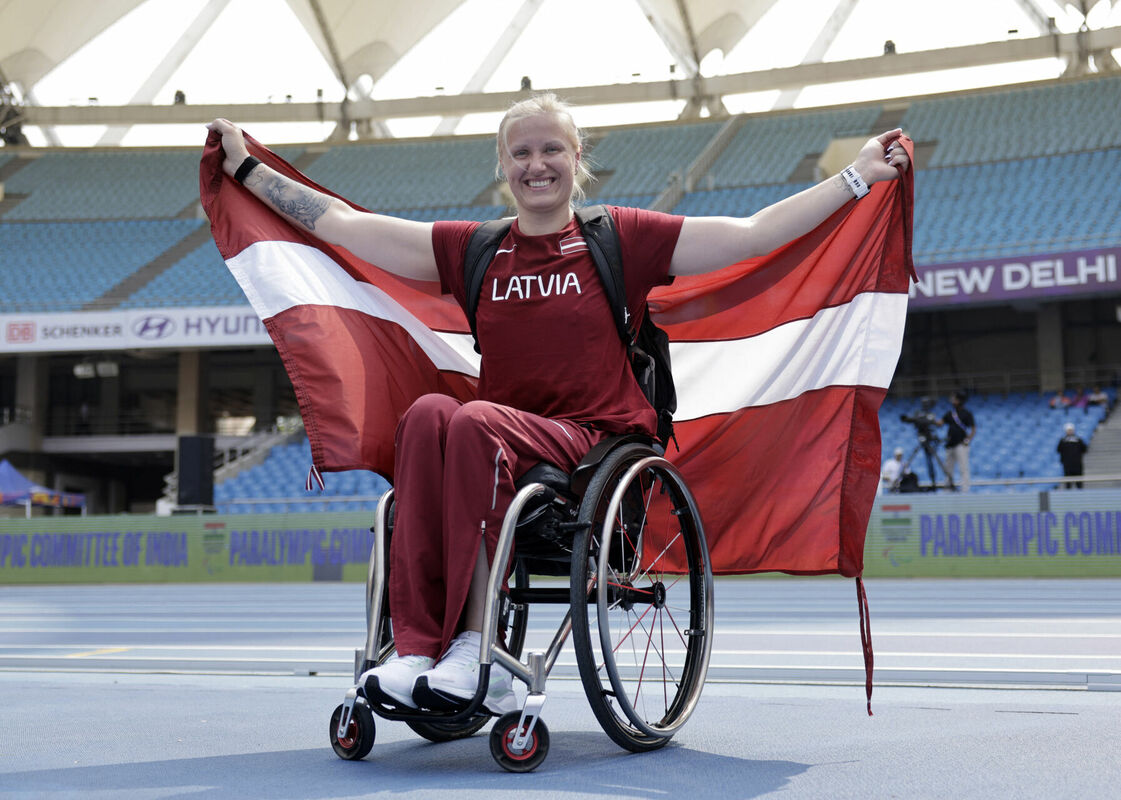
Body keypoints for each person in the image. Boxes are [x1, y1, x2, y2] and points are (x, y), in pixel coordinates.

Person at [207, 95, 910, 714]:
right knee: (424, 415)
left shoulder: (620, 238)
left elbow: (752, 235)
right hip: (501, 440)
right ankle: (417, 649)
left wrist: (854, 177)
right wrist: (245, 169)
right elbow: (339, 224)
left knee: (472, 419)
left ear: (577, 160)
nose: (535, 164)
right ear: (502, 166)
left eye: (551, 150)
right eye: (520, 153)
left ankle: (475, 649)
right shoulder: (475, 249)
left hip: (592, 443)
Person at [939, 390, 975, 491]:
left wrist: (968, 439)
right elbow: (940, 423)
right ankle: (948, 487)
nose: (952, 401)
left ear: (960, 400)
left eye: (955, 399)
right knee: (948, 468)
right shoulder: (950, 413)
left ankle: (965, 489)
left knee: (963, 467)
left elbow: (973, 428)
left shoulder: (966, 413)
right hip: (950, 444)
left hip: (961, 444)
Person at [1057, 422, 1088, 489]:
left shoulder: (1078, 440)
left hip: (1077, 464)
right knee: (1068, 482)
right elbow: (1058, 450)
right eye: (1068, 430)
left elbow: (1084, 449)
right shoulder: (1063, 441)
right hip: (1067, 465)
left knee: (1079, 482)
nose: (1070, 431)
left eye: (1071, 430)